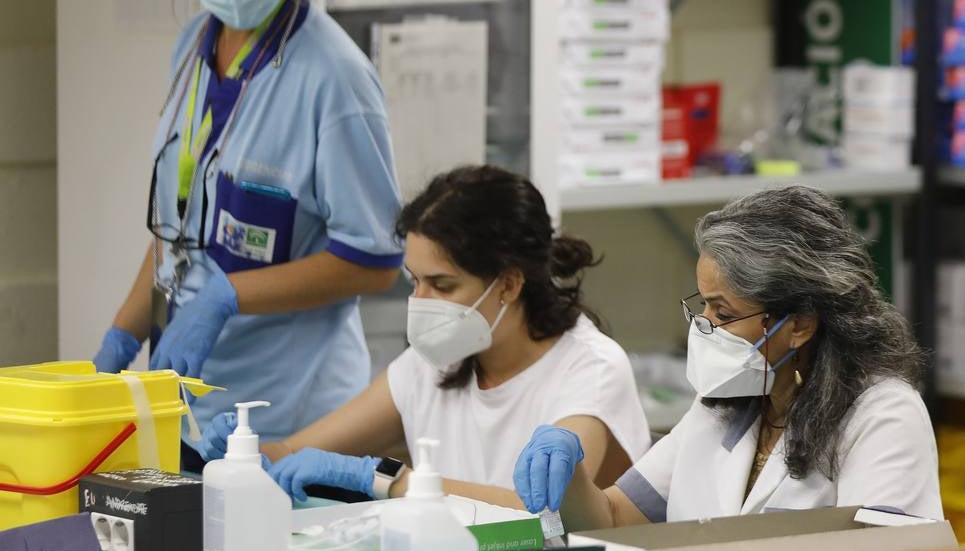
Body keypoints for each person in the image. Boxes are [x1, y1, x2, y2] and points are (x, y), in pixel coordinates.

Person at [91, 0, 404, 447]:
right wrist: (118, 341)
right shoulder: (193, 49)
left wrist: (226, 297)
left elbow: (373, 260)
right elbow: (175, 234)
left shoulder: (334, 78)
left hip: (290, 420)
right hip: (189, 409)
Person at [197, 166, 652, 507]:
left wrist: (391, 480)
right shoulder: (435, 360)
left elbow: (546, 513)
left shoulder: (589, 370)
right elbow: (297, 451)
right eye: (415, 281)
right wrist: (241, 455)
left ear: (510, 284)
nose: (423, 301)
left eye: (443, 285)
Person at [512, 186, 943, 528]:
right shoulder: (726, 406)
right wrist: (570, 479)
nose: (704, 326)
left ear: (800, 325)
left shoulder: (881, 416)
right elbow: (613, 518)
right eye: (704, 306)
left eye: (725, 313)